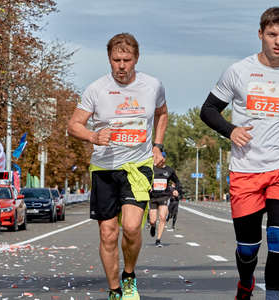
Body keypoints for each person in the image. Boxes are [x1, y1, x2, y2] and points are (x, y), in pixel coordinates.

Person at [200, 7, 279, 300]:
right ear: (260, 34)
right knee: (248, 247)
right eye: (272, 35)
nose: (278, 41)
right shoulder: (238, 71)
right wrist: (230, 130)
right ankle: (245, 284)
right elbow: (208, 110)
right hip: (246, 170)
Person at [68, 33, 168, 300]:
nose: (121, 66)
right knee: (108, 233)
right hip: (104, 168)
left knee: (133, 227)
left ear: (136, 59)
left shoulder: (153, 86)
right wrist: (92, 136)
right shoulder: (96, 89)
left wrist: (157, 145)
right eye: (116, 60)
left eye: (127, 60)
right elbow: (74, 125)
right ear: (109, 59)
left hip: (138, 166)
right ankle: (114, 291)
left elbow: (162, 113)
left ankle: (129, 277)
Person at [149, 154, 181, 247]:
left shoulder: (169, 170)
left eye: (162, 158)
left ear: (164, 159)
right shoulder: (151, 169)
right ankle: (153, 226)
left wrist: (176, 190)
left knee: (163, 217)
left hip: (164, 196)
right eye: (158, 158)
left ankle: (158, 240)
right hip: (153, 197)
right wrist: (148, 188)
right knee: (152, 220)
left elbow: (177, 181)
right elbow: (144, 179)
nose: (160, 160)